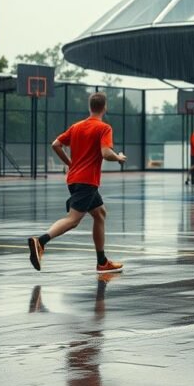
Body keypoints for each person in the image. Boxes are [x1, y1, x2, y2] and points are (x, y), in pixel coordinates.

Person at [27, 92, 125, 273]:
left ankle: (102, 261)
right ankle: (40, 241)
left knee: (100, 214)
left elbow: (55, 144)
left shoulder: (77, 127)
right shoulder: (104, 128)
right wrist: (118, 157)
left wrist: (70, 164)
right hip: (87, 181)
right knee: (72, 220)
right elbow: (105, 153)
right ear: (105, 107)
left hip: (74, 179)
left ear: (89, 107)